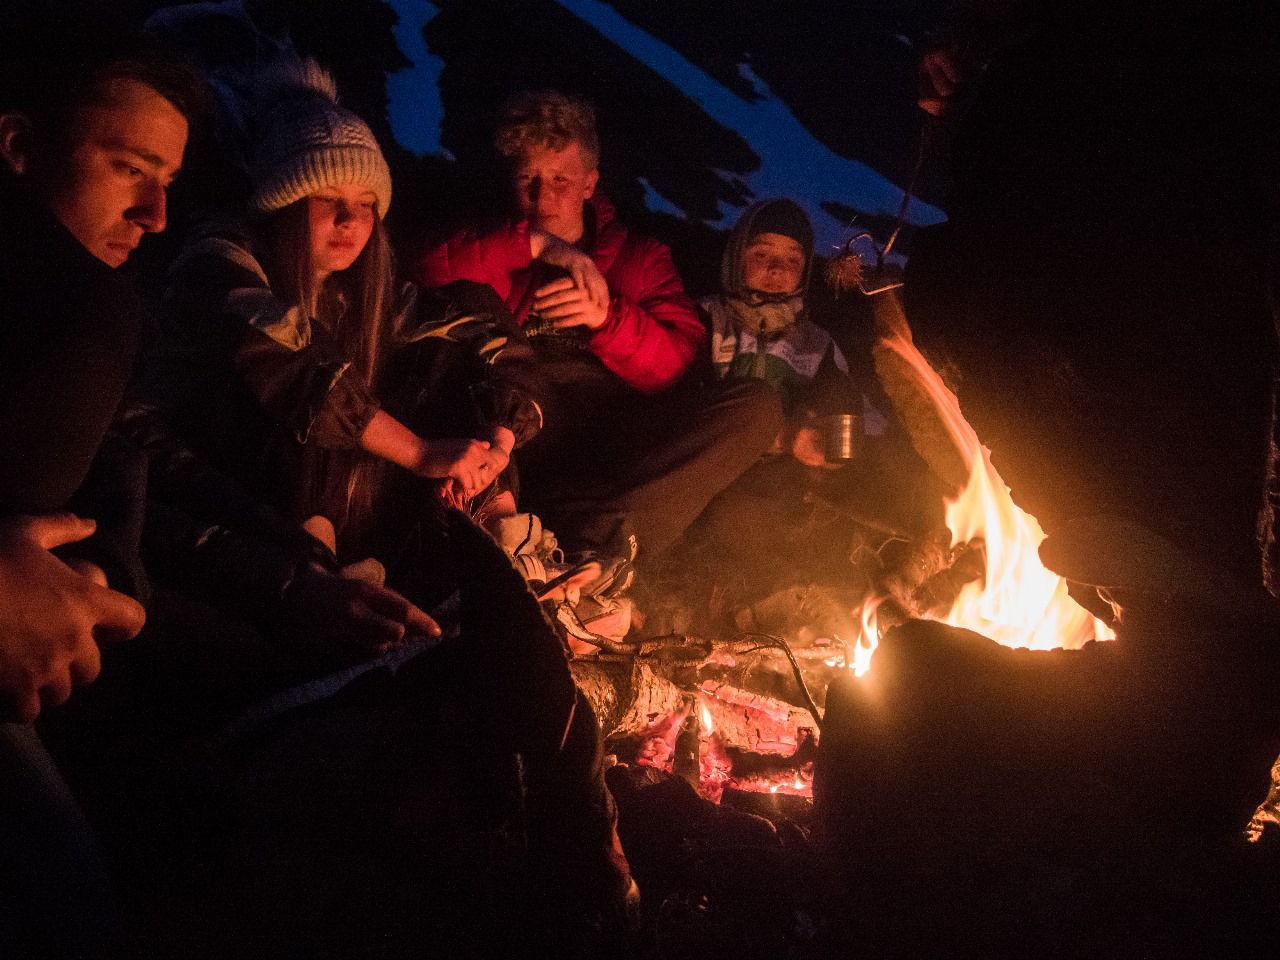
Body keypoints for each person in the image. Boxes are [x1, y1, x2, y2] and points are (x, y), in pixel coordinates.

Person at [0, 29, 200, 957]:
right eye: (128, 168)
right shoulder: (79, 308)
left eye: (169, 183)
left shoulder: (101, 308)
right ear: (17, 145)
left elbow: (158, 460)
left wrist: (296, 578)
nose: (158, 213)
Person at [414, 90, 783, 571]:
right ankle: (504, 539)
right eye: (529, 178)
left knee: (757, 406)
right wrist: (539, 246)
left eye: (561, 180)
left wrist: (608, 320)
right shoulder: (492, 245)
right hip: (517, 439)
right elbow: (424, 267)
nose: (543, 196)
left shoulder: (639, 257)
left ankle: (595, 550)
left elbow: (679, 362)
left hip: (613, 432)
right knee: (471, 314)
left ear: (590, 183)